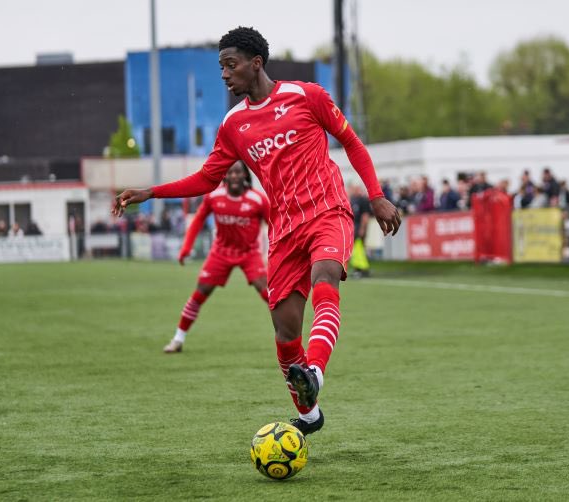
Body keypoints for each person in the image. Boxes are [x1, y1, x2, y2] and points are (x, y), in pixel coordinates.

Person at [113, 26, 400, 435]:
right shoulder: (233, 125)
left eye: (231, 65)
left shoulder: (307, 96)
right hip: (284, 229)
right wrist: (151, 192)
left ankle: (315, 371)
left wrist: (376, 195)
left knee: (325, 279)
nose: (225, 75)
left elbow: (351, 142)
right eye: (221, 68)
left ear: (256, 63)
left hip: (327, 211)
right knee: (285, 332)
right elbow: (205, 179)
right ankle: (308, 414)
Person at [164, 160, 271, 353]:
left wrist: (277, 253)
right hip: (221, 252)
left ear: (246, 175)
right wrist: (186, 248)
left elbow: (275, 225)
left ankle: (289, 338)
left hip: (249, 253)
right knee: (199, 294)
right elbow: (197, 220)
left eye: (238, 172)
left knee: (268, 294)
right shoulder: (214, 197)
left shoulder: (258, 200)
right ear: (224, 176)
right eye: (230, 173)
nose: (234, 176)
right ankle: (178, 339)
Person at [348, 184, 372, 278]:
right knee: (356, 250)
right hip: (354, 227)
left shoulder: (363, 200)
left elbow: (365, 216)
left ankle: (361, 269)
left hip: (359, 227)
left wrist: (363, 228)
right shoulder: (353, 200)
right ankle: (358, 268)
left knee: (359, 249)